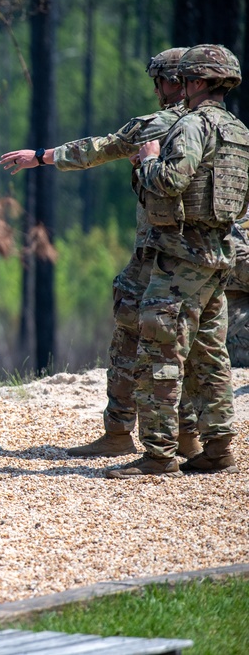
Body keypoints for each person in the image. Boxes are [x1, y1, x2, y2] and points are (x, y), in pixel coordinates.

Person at [0, 48, 203, 460]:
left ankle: (120, 431)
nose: (158, 89)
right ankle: (194, 437)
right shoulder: (221, 128)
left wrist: (40, 156)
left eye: (160, 81)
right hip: (207, 257)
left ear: (172, 83)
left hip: (157, 254)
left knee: (134, 333)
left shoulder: (158, 125)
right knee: (195, 344)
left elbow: (97, 149)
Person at [108, 44, 249, 478]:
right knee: (210, 355)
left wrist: (147, 163)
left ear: (203, 82)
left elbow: (170, 181)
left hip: (180, 260)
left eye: (186, 80)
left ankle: (159, 454)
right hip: (219, 257)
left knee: (159, 350)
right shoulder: (238, 130)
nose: (178, 88)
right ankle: (219, 447)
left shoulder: (192, 126)